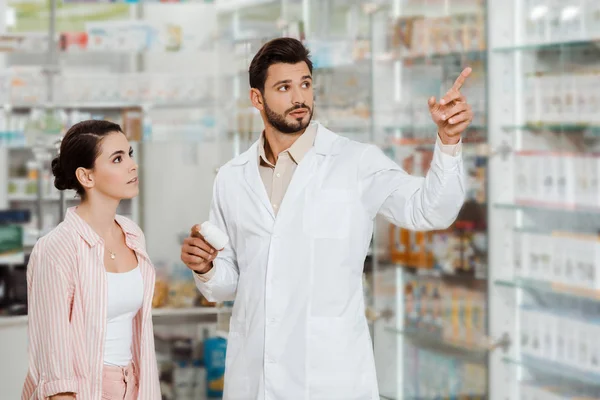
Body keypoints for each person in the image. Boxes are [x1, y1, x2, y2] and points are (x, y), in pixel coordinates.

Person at [181, 37, 469, 400]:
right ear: (257, 99)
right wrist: (205, 267)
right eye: (284, 87)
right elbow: (230, 285)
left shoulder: (356, 162)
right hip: (256, 377)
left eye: (305, 84)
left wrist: (447, 142)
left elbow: (431, 210)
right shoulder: (232, 177)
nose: (299, 98)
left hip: (329, 376)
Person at [22, 120, 161, 400]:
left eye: (130, 154)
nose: (132, 165)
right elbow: (54, 359)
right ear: (87, 177)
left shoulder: (133, 234)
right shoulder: (57, 248)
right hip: (86, 389)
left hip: (135, 384)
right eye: (117, 159)